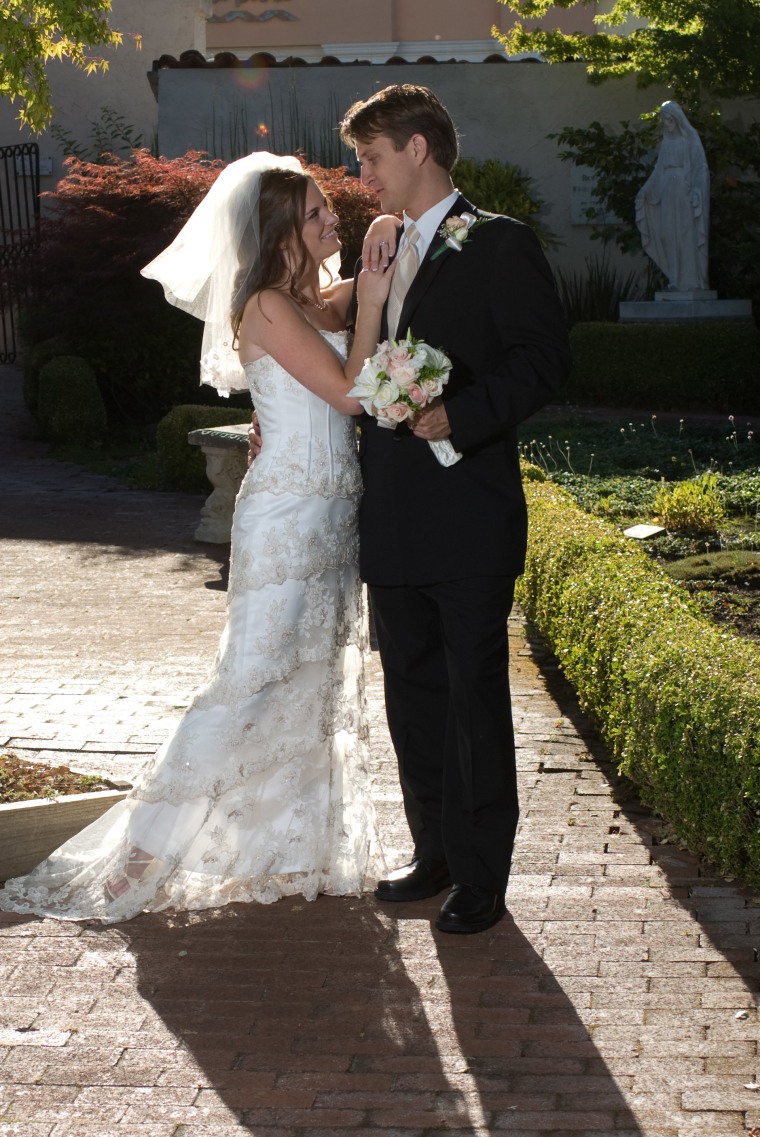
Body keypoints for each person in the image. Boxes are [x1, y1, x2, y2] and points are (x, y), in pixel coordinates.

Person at [0, 152, 395, 924]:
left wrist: (387, 235)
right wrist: (375, 301)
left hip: (329, 516)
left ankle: (291, 848)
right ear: (282, 231)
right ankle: (143, 851)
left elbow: (365, 281)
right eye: (316, 214)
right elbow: (350, 393)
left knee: (308, 682)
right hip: (285, 518)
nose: (331, 221)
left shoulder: (311, 299)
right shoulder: (268, 307)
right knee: (248, 684)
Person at [340, 84, 572, 934]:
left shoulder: (500, 241)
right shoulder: (381, 245)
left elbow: (544, 358)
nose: (364, 175)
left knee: (474, 699)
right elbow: (346, 352)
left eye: (370, 157)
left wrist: (462, 414)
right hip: (393, 514)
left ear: (416, 149)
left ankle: (482, 873)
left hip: (468, 511)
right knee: (412, 691)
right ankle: (432, 848)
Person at [635, 100, 710, 293]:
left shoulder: (690, 139)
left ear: (677, 120)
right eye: (664, 120)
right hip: (668, 193)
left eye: (669, 119)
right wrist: (645, 191)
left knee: (686, 235)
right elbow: (658, 171)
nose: (666, 124)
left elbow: (700, 168)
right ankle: (674, 279)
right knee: (666, 234)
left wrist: (696, 189)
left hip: (683, 192)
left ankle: (690, 282)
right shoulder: (666, 142)